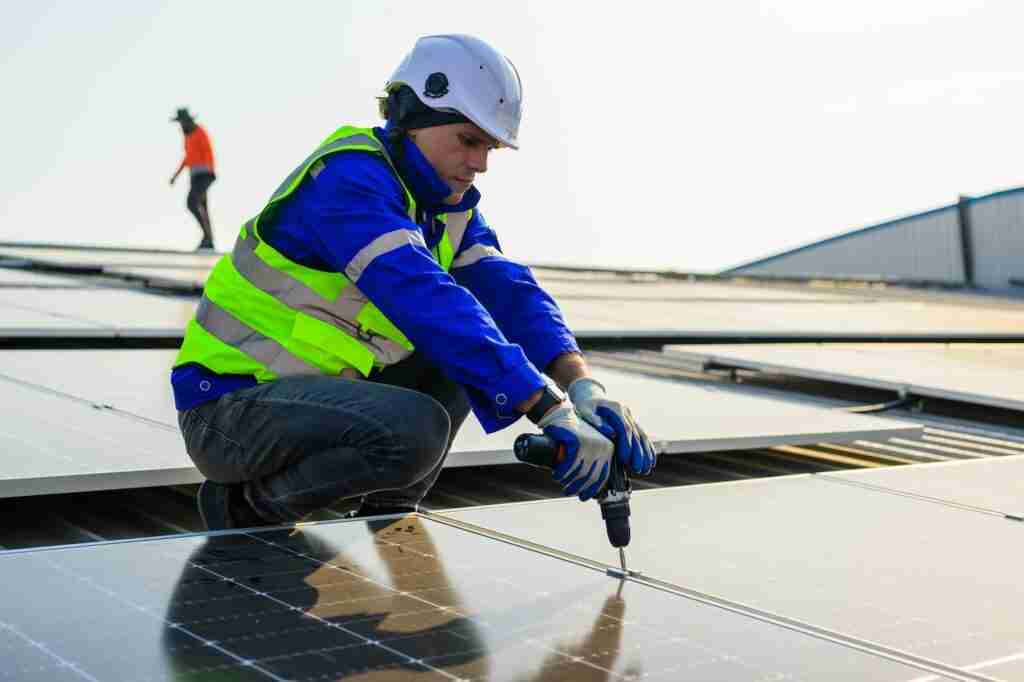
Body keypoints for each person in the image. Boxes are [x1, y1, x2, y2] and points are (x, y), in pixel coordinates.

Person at [171, 34, 656, 531]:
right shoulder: (348, 181)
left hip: (313, 399)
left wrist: (583, 386)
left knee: (474, 346)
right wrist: (548, 409)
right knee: (418, 424)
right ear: (413, 119)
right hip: (229, 411)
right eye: (469, 141)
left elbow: (511, 294)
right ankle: (249, 508)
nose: (480, 163)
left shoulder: (448, 209)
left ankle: (391, 506)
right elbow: (424, 297)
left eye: (489, 147)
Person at [169, 107, 217, 250]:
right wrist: (175, 176)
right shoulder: (188, 137)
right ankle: (208, 241)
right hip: (195, 176)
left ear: (188, 121)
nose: (182, 125)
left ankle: (207, 237)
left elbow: (207, 152)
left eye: (183, 122)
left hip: (205, 174)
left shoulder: (199, 132)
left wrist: (207, 172)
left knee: (192, 202)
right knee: (202, 206)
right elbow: (188, 158)